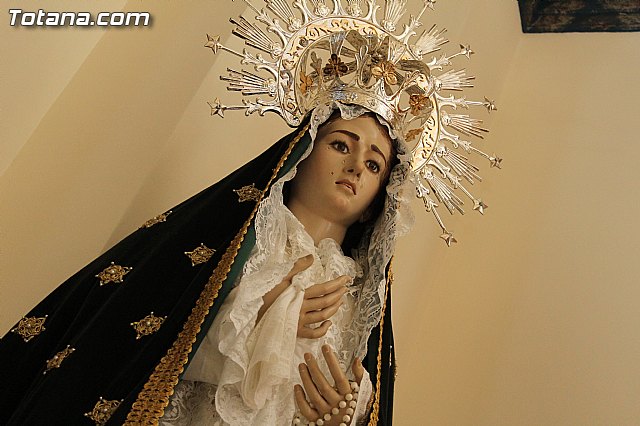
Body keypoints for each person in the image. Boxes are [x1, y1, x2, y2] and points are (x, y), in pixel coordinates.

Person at [0, 102, 412, 425]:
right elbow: (139, 342)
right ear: (300, 155)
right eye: (341, 145)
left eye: (373, 165)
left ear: (373, 206)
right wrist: (261, 313)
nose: (355, 166)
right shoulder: (237, 246)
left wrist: (347, 413)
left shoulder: (362, 306)